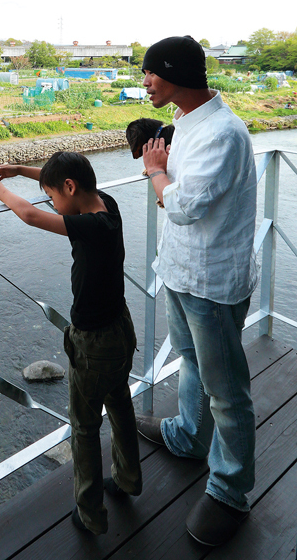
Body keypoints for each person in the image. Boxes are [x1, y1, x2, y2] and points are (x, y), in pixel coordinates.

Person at [139, 35, 258, 547]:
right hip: (182, 269)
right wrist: (163, 170)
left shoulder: (223, 133)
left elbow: (184, 206)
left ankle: (229, 491)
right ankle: (189, 435)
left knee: (227, 393)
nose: (145, 81)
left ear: (177, 74)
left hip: (212, 281)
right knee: (190, 360)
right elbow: (182, 193)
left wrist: (155, 172)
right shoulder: (186, 120)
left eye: (151, 72)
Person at [0, 151, 142, 535]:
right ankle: (128, 479)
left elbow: (30, 215)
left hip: (94, 342)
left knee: (85, 428)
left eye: (53, 196)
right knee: (119, 402)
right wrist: (20, 170)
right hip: (121, 327)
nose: (52, 203)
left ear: (70, 188)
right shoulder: (107, 205)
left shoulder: (89, 226)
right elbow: (63, 180)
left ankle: (90, 515)